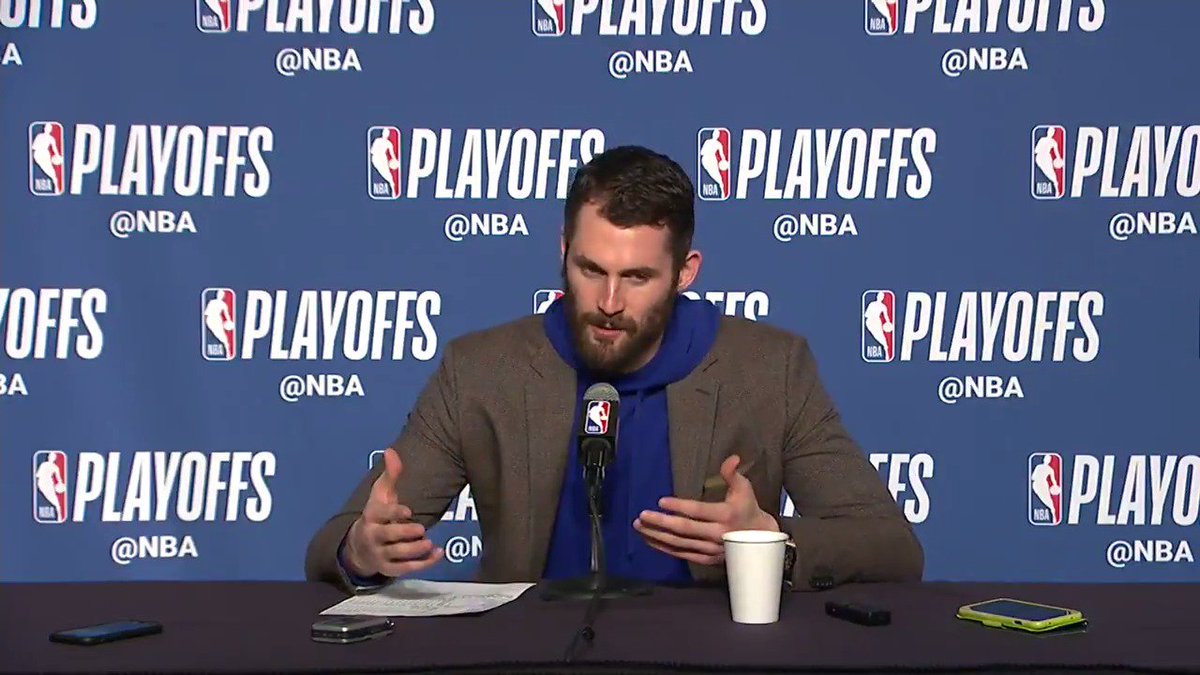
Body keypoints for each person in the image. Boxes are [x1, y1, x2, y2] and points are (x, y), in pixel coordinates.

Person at [305, 146, 924, 594]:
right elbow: (333, 546)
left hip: (712, 663)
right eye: (590, 270)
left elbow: (894, 548)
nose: (607, 302)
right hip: (530, 662)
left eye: (637, 278)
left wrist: (769, 545)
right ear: (563, 253)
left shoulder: (770, 369)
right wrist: (362, 549)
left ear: (685, 273)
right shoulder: (482, 371)